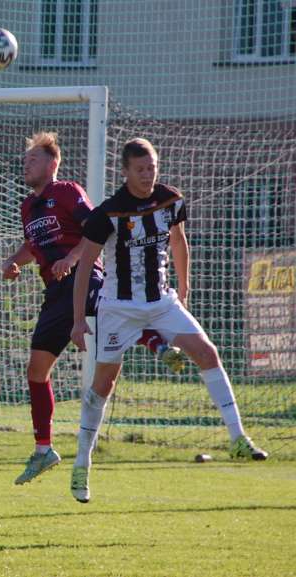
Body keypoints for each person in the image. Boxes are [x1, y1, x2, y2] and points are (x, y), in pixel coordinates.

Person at [68, 138, 268, 503]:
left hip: (161, 301)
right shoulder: (107, 214)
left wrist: (184, 284)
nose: (148, 175)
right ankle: (82, 463)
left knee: (207, 353)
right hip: (118, 307)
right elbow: (86, 267)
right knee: (103, 385)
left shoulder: (170, 200)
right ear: (125, 171)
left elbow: (179, 240)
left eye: (152, 167)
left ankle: (238, 439)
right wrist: (79, 319)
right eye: (140, 169)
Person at [2, 132, 186, 486]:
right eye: (25, 161)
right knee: (36, 371)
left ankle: (159, 344)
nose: (27, 165)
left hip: (85, 279)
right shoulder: (28, 207)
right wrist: (14, 261)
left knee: (107, 310)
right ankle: (43, 450)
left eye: (34, 159)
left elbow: (95, 233)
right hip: (55, 292)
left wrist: (72, 258)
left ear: (53, 164)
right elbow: (33, 245)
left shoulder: (67, 192)